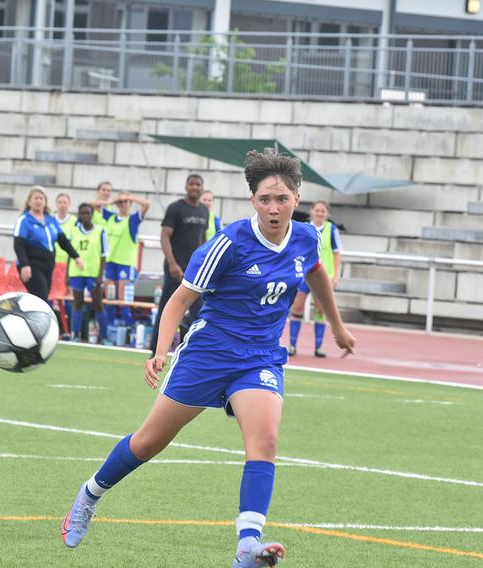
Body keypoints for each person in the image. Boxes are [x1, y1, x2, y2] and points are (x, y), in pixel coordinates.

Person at [60, 149, 356, 567]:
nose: (274, 208)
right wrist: (161, 351)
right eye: (265, 200)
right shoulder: (229, 244)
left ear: (296, 198)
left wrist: (337, 326)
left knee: (265, 441)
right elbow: (179, 301)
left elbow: (317, 273)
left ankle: (247, 546)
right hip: (209, 352)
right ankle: (89, 495)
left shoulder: (306, 237)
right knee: (149, 442)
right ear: (252, 200)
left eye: (283, 200)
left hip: (261, 358)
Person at [147, 173, 209, 355]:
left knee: (198, 312)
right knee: (167, 310)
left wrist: (204, 265)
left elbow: (202, 239)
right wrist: (172, 264)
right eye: (192, 184)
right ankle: (155, 351)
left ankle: (190, 350)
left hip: (195, 272)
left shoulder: (204, 211)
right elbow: (165, 236)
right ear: (186, 187)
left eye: (198, 184)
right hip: (175, 269)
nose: (195, 187)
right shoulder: (175, 208)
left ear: (201, 188)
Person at [288, 200, 343, 358]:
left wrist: (335, 275)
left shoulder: (332, 230)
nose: (320, 213)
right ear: (312, 211)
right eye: (317, 210)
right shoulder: (304, 227)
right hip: (304, 274)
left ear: (327, 214)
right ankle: (292, 345)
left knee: (320, 309)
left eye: (323, 211)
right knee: (297, 308)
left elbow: (336, 252)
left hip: (322, 276)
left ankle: (318, 347)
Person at [13, 186, 84, 302]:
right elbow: (18, 245)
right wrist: (25, 265)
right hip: (32, 265)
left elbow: (63, 241)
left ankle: (32, 319)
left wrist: (76, 256)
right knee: (41, 298)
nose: (39, 201)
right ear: (29, 201)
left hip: (48, 266)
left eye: (41, 198)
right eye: (36, 198)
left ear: (45, 202)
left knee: (40, 299)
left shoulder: (51, 220)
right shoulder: (24, 220)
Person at [99, 192, 150, 323]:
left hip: (126, 264)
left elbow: (146, 204)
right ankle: (110, 327)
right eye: (120, 202)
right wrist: (112, 201)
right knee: (109, 296)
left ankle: (126, 327)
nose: (123, 204)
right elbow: (93, 205)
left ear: (130, 203)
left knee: (123, 298)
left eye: (125, 202)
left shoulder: (132, 220)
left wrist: (129, 197)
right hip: (110, 262)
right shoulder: (110, 217)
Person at [67, 203, 109, 342]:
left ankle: (104, 336)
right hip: (77, 272)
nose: (86, 215)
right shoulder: (74, 231)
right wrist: (67, 274)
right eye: (83, 213)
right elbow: (69, 253)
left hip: (93, 274)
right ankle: (76, 334)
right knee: (77, 303)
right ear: (79, 215)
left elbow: (104, 255)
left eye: (88, 213)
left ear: (92, 215)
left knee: (98, 304)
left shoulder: (100, 231)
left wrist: (100, 275)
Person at [53, 193, 78, 265]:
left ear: (69, 204)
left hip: (69, 261)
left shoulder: (75, 221)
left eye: (65, 202)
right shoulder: (50, 220)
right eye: (60, 202)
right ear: (56, 204)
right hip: (53, 260)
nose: (62, 205)